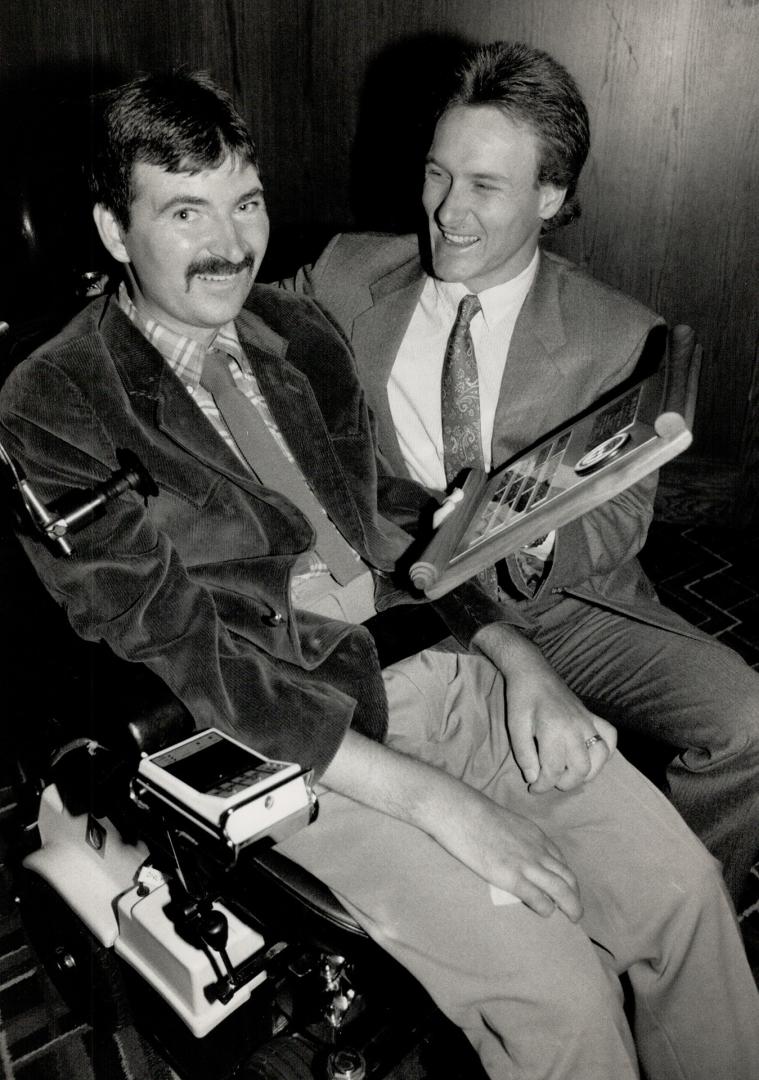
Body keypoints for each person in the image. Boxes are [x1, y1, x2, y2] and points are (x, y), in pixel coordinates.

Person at [1, 70, 758, 1080]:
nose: (230, 245)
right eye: (185, 213)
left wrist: (516, 657)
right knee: (561, 1001)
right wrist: (437, 803)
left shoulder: (300, 336)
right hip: (301, 741)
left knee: (688, 901)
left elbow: (394, 516)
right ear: (110, 227)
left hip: (451, 672)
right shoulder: (54, 403)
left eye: (246, 202)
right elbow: (187, 651)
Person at [283, 40, 759, 916]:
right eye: (436, 175)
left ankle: (678, 914)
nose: (446, 213)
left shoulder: (617, 335)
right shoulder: (350, 274)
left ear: (551, 196)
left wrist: (536, 532)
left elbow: (620, 524)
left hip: (559, 605)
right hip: (399, 592)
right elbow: (240, 342)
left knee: (746, 722)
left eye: (485, 187)